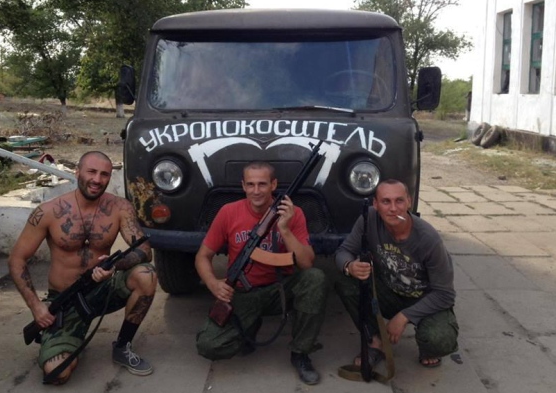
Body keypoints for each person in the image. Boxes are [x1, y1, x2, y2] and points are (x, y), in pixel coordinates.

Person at [8, 151, 157, 384]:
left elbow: (144, 250)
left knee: (146, 274)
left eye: (104, 174)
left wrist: (116, 264)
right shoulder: (48, 211)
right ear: (77, 172)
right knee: (57, 374)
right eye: (92, 172)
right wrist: (36, 306)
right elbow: (16, 259)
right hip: (66, 300)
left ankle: (122, 346)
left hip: (102, 290)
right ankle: (66, 338)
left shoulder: (120, 208)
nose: (97, 179)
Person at [195, 161, 328, 385]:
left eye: (262, 184)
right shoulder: (229, 212)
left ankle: (301, 353)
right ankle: (248, 329)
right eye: (251, 184)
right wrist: (213, 283)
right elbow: (202, 256)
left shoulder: (293, 214)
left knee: (316, 278)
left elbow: (307, 263)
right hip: (242, 293)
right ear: (243, 186)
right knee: (208, 345)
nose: (256, 191)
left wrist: (284, 229)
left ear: (273, 185)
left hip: (280, 291)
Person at [335, 179, 458, 372]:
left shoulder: (428, 239)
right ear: (376, 204)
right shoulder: (368, 219)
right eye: (386, 201)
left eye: (399, 201)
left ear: (409, 202)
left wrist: (404, 317)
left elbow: (445, 294)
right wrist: (350, 266)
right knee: (345, 280)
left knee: (439, 340)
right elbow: (343, 251)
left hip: (424, 298)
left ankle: (428, 346)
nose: (393, 209)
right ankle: (376, 341)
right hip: (389, 291)